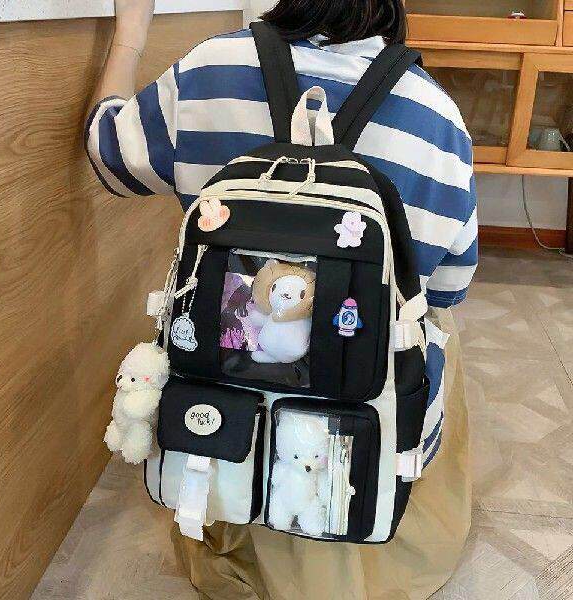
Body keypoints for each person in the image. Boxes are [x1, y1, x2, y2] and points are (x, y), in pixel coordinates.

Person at [86, 1, 477, 598]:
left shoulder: (210, 69)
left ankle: (228, 506)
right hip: (358, 394)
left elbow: (109, 157)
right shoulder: (437, 118)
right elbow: (449, 287)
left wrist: (130, 36)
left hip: (225, 381)